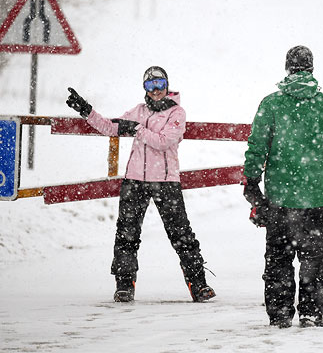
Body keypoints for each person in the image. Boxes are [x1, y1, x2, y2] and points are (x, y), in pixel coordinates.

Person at [65, 66, 215, 303]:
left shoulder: (177, 113)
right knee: (127, 234)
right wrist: (87, 110)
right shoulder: (138, 111)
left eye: (160, 85)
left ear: (167, 87)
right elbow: (110, 127)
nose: (155, 91)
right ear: (144, 88)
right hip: (135, 180)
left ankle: (199, 284)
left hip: (165, 181)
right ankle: (124, 285)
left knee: (181, 234)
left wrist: (137, 129)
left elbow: (164, 142)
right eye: (150, 86)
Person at [242, 46, 323, 328]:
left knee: (279, 255)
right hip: (317, 194)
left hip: (280, 195)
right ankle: (312, 312)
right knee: (314, 255)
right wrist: (313, 161)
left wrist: (252, 181)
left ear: (288, 68)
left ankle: (279, 313)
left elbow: (256, 147)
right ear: (311, 69)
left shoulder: (271, 104)